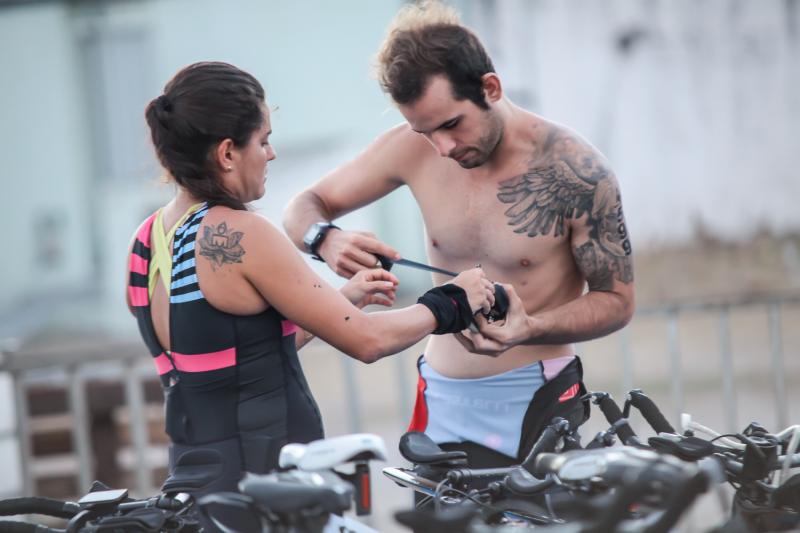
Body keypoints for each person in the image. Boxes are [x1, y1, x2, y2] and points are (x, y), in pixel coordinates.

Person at [125, 61, 494, 505]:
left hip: (198, 492)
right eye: (264, 140)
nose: (271, 154)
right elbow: (369, 341)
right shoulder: (241, 233)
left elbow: (238, 361)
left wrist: (341, 302)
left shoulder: (145, 241)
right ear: (226, 153)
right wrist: (454, 299)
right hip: (270, 493)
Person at [283, 1, 635, 467]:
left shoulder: (575, 170)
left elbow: (617, 301)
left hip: (537, 397)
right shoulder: (411, 148)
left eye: (451, 125)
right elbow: (302, 207)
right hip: (442, 398)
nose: (443, 147)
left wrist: (532, 328)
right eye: (425, 132)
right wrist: (325, 239)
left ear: (490, 88)